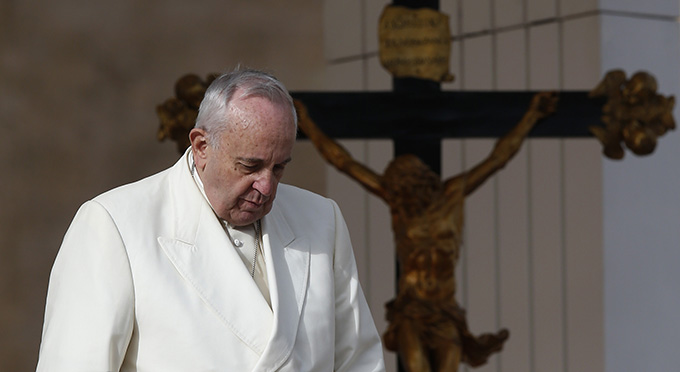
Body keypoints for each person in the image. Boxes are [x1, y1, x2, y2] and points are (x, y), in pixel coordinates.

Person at [36, 68, 386, 372]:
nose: (266, 186)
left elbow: (359, 361)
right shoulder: (114, 225)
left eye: (279, 167)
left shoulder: (321, 221)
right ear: (202, 145)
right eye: (250, 166)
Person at [295, 91, 557, 372]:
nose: (401, 194)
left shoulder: (452, 194)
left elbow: (498, 158)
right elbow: (343, 162)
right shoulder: (398, 203)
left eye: (404, 186)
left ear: (416, 180)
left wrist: (532, 116)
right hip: (412, 310)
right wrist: (307, 124)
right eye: (397, 189)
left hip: (445, 310)